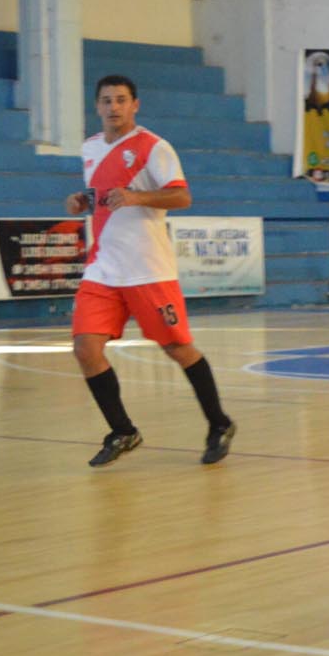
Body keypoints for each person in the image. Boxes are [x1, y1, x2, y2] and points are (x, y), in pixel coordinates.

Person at [65, 74, 236, 467]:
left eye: (121, 100)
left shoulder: (154, 147)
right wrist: (81, 202)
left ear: (135, 105)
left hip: (147, 270)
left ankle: (219, 423)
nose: (114, 107)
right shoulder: (90, 148)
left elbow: (182, 195)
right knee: (85, 348)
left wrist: (135, 196)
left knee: (178, 349)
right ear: (97, 106)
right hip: (104, 267)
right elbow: (103, 198)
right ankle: (123, 431)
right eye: (107, 101)